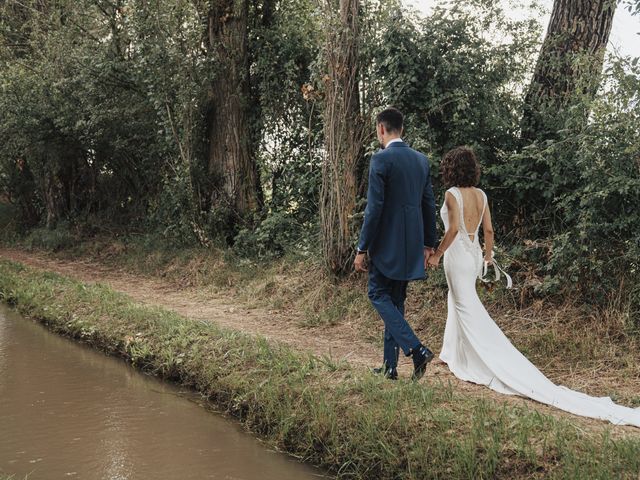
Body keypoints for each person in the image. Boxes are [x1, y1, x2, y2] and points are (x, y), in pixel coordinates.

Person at [427, 146, 640, 427]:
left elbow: (452, 230)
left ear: (451, 169)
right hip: (475, 256)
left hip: (455, 256)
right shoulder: (481, 195)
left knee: (465, 305)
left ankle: (494, 359)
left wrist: (437, 254)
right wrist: (488, 256)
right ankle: (449, 353)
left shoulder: (452, 195)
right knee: (457, 301)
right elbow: (488, 230)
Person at [354, 107, 438, 381]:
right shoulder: (421, 161)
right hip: (411, 245)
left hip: (385, 245)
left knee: (377, 294)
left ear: (381, 128)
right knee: (396, 303)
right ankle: (390, 367)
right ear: (402, 129)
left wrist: (362, 248)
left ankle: (416, 349)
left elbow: (374, 209)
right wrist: (428, 244)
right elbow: (428, 204)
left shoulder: (381, 160)